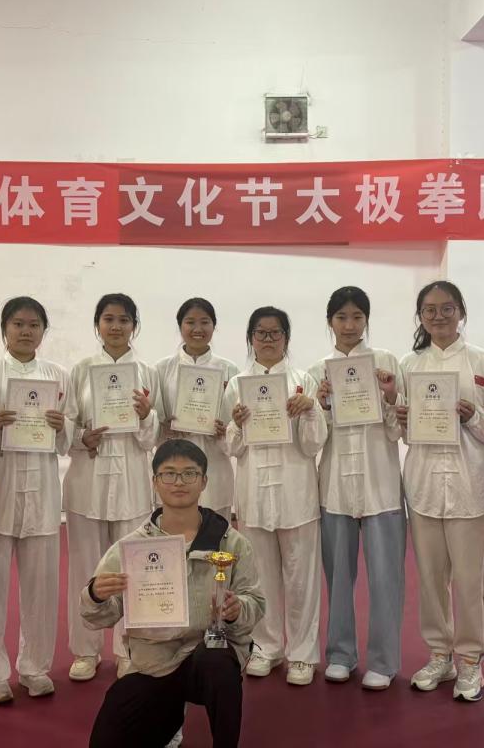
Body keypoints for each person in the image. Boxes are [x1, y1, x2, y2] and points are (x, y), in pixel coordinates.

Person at [83, 439, 266, 748]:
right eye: (169, 474)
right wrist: (95, 594)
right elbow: (95, 616)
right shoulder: (132, 547)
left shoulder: (231, 543)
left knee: (219, 665)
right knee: (107, 737)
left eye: (189, 473)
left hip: (207, 656)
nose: (179, 482)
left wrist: (237, 610)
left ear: (204, 481)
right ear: (155, 482)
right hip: (153, 663)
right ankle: (168, 719)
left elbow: (255, 601)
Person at [397, 281, 484, 703]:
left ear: (461, 311)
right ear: (421, 317)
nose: (439, 316)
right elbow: (400, 427)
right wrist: (402, 417)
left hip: (470, 487)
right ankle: (439, 654)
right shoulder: (409, 365)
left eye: (447, 308)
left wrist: (473, 415)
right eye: (430, 310)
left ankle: (469, 660)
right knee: (430, 579)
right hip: (424, 486)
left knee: (468, 580)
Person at [0, 297, 70, 704]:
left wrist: (62, 426)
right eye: (17, 324)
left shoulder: (58, 377)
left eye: (33, 325)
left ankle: (35, 667)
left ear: (43, 331)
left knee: (42, 587)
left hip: (42, 492)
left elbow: (71, 438)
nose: (26, 331)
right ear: (4, 329)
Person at [308, 286, 405, 691]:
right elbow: (313, 439)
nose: (349, 325)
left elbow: (399, 430)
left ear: (366, 320)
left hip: (380, 483)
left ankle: (383, 660)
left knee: (385, 578)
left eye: (357, 317)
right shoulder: (318, 371)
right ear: (330, 321)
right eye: (341, 317)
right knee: (338, 576)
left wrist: (390, 397)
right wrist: (321, 405)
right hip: (335, 486)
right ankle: (340, 654)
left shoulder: (386, 363)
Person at [224, 306, 327, 686]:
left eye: (275, 333)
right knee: (260, 577)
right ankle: (266, 647)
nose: (268, 340)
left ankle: (302, 654)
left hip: (296, 492)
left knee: (302, 578)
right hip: (253, 493)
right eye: (260, 333)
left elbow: (313, 444)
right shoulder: (237, 385)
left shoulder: (303, 382)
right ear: (250, 338)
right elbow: (231, 447)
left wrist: (310, 411)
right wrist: (237, 425)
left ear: (286, 337)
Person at [64, 293, 162, 682]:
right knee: (85, 569)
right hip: (87, 482)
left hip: (133, 482)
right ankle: (85, 651)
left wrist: (146, 416)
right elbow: (67, 426)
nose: (116, 326)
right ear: (97, 325)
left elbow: (153, 438)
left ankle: (127, 649)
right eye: (108, 319)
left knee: (132, 571)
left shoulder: (147, 373)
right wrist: (81, 438)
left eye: (124, 319)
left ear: (134, 326)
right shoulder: (80, 371)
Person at [155, 297, 239, 522]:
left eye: (205, 322)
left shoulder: (229, 369)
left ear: (214, 326)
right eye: (190, 322)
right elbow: (155, 419)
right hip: (173, 462)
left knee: (215, 534)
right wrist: (164, 426)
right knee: (174, 535)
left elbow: (237, 423)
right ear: (180, 326)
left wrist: (225, 429)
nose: (198, 329)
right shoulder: (162, 369)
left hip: (215, 464)